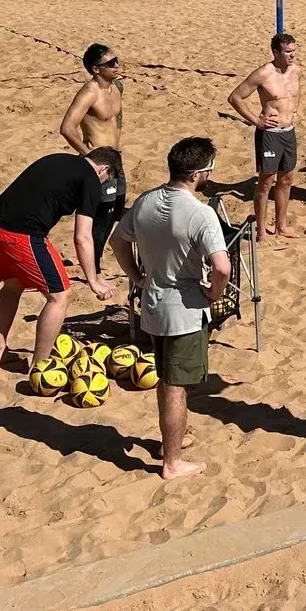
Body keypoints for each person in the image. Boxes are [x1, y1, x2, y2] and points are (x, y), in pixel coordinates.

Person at [111, 136, 229, 481]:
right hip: (185, 310)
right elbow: (222, 267)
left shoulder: (147, 200)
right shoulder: (199, 213)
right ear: (197, 174)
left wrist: (136, 276)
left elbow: (119, 239)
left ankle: (171, 443)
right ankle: (172, 462)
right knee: (176, 385)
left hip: (153, 303)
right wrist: (213, 293)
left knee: (167, 379)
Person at [0, 147, 121, 369]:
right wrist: (94, 281)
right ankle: (40, 366)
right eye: (106, 180)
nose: (103, 185)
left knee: (12, 286)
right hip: (21, 236)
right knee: (60, 295)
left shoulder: (57, 158)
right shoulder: (91, 179)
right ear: (104, 169)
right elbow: (82, 237)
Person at [226, 32, 303, 237]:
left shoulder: (296, 70)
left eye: (294, 51)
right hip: (270, 134)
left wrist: (295, 111)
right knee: (266, 181)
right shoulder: (263, 74)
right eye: (288, 52)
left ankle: (281, 226)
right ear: (276, 52)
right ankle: (261, 230)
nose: (292, 56)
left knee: (286, 179)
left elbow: (295, 95)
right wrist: (256, 120)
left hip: (289, 131)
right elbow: (235, 97)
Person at [59, 42, 126, 271]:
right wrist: (90, 155)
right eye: (110, 63)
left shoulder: (116, 87)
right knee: (101, 215)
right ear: (96, 69)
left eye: (116, 60)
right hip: (99, 163)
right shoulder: (89, 92)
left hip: (115, 158)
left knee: (117, 209)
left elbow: (115, 119)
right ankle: (93, 266)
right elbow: (67, 127)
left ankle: (95, 256)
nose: (116, 66)